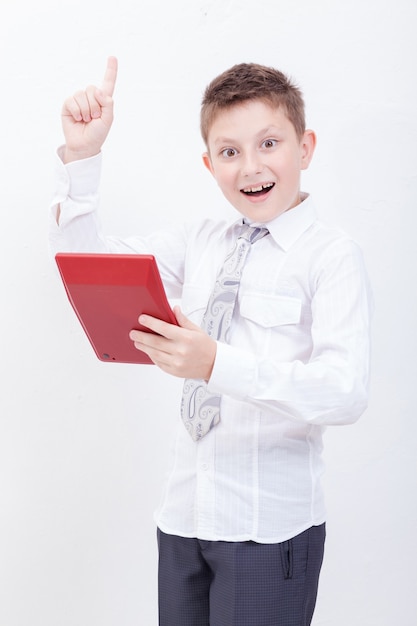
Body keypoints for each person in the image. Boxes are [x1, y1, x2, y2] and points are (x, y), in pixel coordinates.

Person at [49, 57, 372, 626]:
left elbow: (344, 392)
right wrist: (82, 157)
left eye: (269, 143)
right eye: (229, 152)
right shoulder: (199, 242)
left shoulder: (330, 256)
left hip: (268, 532)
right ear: (209, 163)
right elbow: (88, 265)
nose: (251, 167)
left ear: (306, 147)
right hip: (184, 520)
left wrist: (217, 363)